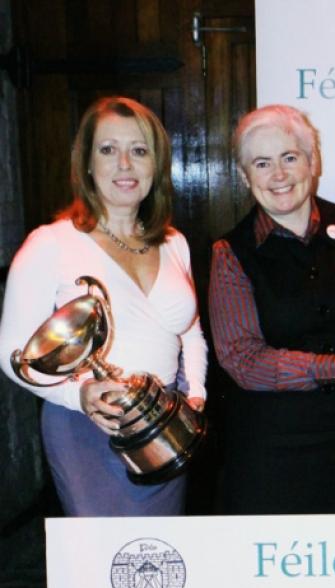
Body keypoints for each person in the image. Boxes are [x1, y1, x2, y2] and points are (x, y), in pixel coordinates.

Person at [0, 96, 207, 516]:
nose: (125, 165)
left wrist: (195, 396)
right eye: (108, 150)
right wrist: (80, 395)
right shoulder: (50, 243)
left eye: (139, 150)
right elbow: (13, 354)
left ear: (157, 165)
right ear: (88, 164)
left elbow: (191, 333)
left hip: (164, 426)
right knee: (100, 564)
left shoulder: (174, 243)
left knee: (162, 556)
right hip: (86, 429)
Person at [208, 104, 335, 515]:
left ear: (312, 161)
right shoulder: (230, 252)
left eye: (289, 157)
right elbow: (243, 360)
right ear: (246, 176)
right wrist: (332, 367)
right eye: (262, 164)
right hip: (275, 453)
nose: (278, 175)